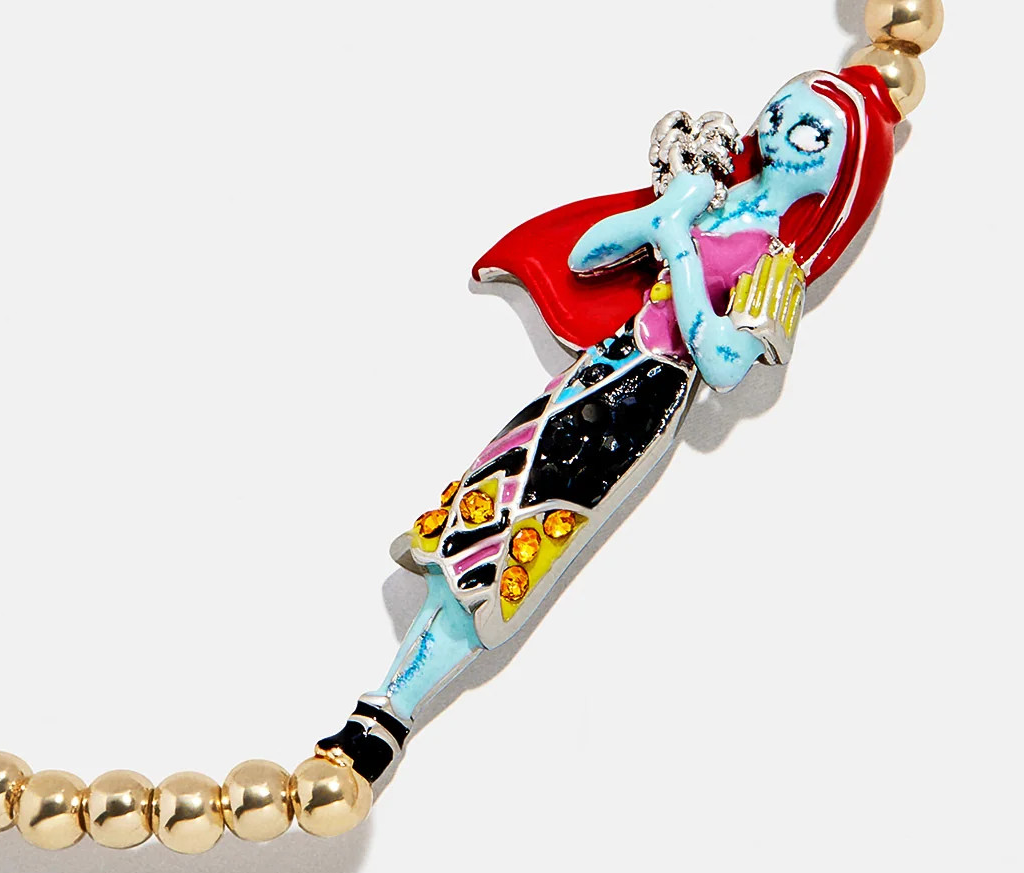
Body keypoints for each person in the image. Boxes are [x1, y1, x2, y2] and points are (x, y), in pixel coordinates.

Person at [317, 68, 898, 786]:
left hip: (637, 408)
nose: (778, 132)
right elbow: (585, 255)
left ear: (840, 173)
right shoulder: (708, 197)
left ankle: (390, 717)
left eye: (809, 133)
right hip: (584, 380)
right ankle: (383, 707)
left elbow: (722, 364)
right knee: (470, 524)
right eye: (779, 110)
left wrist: (678, 244)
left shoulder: (779, 265)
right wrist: (668, 214)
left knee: (517, 551)